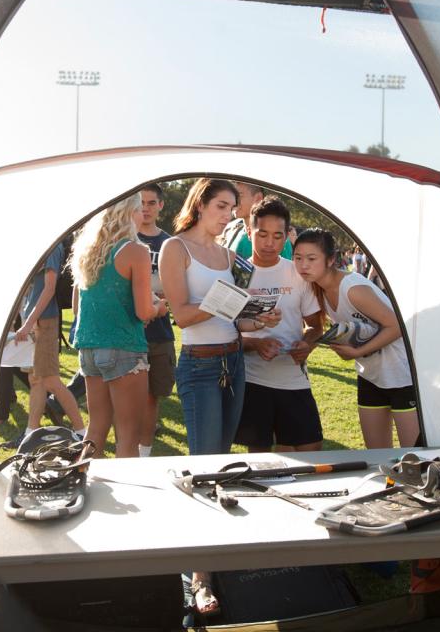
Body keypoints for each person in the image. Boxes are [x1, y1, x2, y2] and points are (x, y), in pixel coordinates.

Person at [158, 178, 279, 618]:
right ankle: (198, 579)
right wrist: (224, 299)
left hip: (234, 361)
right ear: (201, 205)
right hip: (201, 367)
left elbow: (235, 320)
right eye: (223, 206)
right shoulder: (176, 249)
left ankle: (214, 555)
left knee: (221, 462)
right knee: (203, 465)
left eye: (232, 208)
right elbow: (184, 316)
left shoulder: (231, 256)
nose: (230, 215)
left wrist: (257, 317)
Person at [293, 228, 418, 449]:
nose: (303, 265)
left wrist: (357, 352)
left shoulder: (353, 289)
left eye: (311, 258)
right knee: (377, 456)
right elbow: (320, 327)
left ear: (331, 259)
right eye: (298, 258)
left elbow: (397, 326)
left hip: (403, 376)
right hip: (370, 375)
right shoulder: (317, 288)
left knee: (415, 458)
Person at [70, 194, 168, 459]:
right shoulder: (136, 251)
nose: (142, 215)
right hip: (124, 348)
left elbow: (79, 305)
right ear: (128, 214)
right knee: (128, 437)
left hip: (89, 349)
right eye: (139, 210)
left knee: (96, 430)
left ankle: (83, 483)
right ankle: (133, 495)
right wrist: (160, 308)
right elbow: (144, 311)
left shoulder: (88, 251)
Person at [233, 197, 326, 453]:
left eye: (277, 236)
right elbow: (226, 332)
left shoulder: (297, 272)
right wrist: (256, 343)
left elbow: (316, 327)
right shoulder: (238, 273)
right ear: (249, 232)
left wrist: (306, 344)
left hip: (293, 379)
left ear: (287, 236)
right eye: (262, 234)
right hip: (252, 380)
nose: (269, 243)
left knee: (310, 450)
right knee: (259, 458)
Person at [7, 240, 85, 448]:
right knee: (36, 380)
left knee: (50, 380)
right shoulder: (37, 245)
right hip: (32, 321)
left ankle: (81, 432)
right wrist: (17, 319)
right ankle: (30, 433)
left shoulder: (52, 247)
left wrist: (28, 324)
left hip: (45, 322)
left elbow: (49, 289)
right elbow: (27, 288)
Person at [136, 182, 175, 457]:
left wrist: (162, 301)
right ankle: (127, 449)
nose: (146, 208)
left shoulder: (170, 243)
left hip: (159, 333)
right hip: (128, 333)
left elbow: (178, 288)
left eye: (151, 203)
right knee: (125, 399)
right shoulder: (124, 240)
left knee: (151, 397)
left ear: (161, 205)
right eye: (141, 203)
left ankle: (144, 454)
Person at [219, 181, 293, 261]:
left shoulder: (281, 241)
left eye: (240, 195)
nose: (234, 201)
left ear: (258, 198)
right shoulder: (230, 230)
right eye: (233, 195)